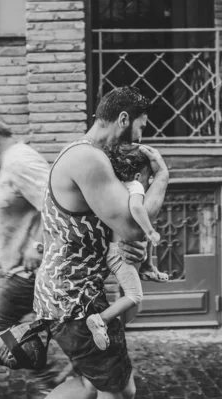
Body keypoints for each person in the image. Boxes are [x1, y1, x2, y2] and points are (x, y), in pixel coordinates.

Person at [33, 86, 170, 399]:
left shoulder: (88, 154)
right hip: (72, 301)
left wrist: (126, 247)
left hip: (68, 296)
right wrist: (161, 178)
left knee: (94, 386)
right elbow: (134, 228)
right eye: (141, 126)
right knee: (120, 390)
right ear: (123, 119)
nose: (140, 136)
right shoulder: (89, 160)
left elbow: (110, 226)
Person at [0, 116, 62, 392]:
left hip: (30, 267)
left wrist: (37, 245)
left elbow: (56, 203)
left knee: (0, 324)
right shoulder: (6, 163)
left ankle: (51, 380)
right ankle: (65, 375)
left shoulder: (21, 161)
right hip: (19, 266)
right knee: (52, 324)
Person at [85, 143, 169, 351]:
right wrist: (150, 230)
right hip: (118, 253)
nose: (150, 181)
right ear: (140, 175)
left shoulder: (118, 186)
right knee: (135, 296)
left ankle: (149, 268)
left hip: (112, 248)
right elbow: (136, 207)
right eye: (149, 177)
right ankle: (100, 320)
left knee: (144, 236)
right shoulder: (136, 187)